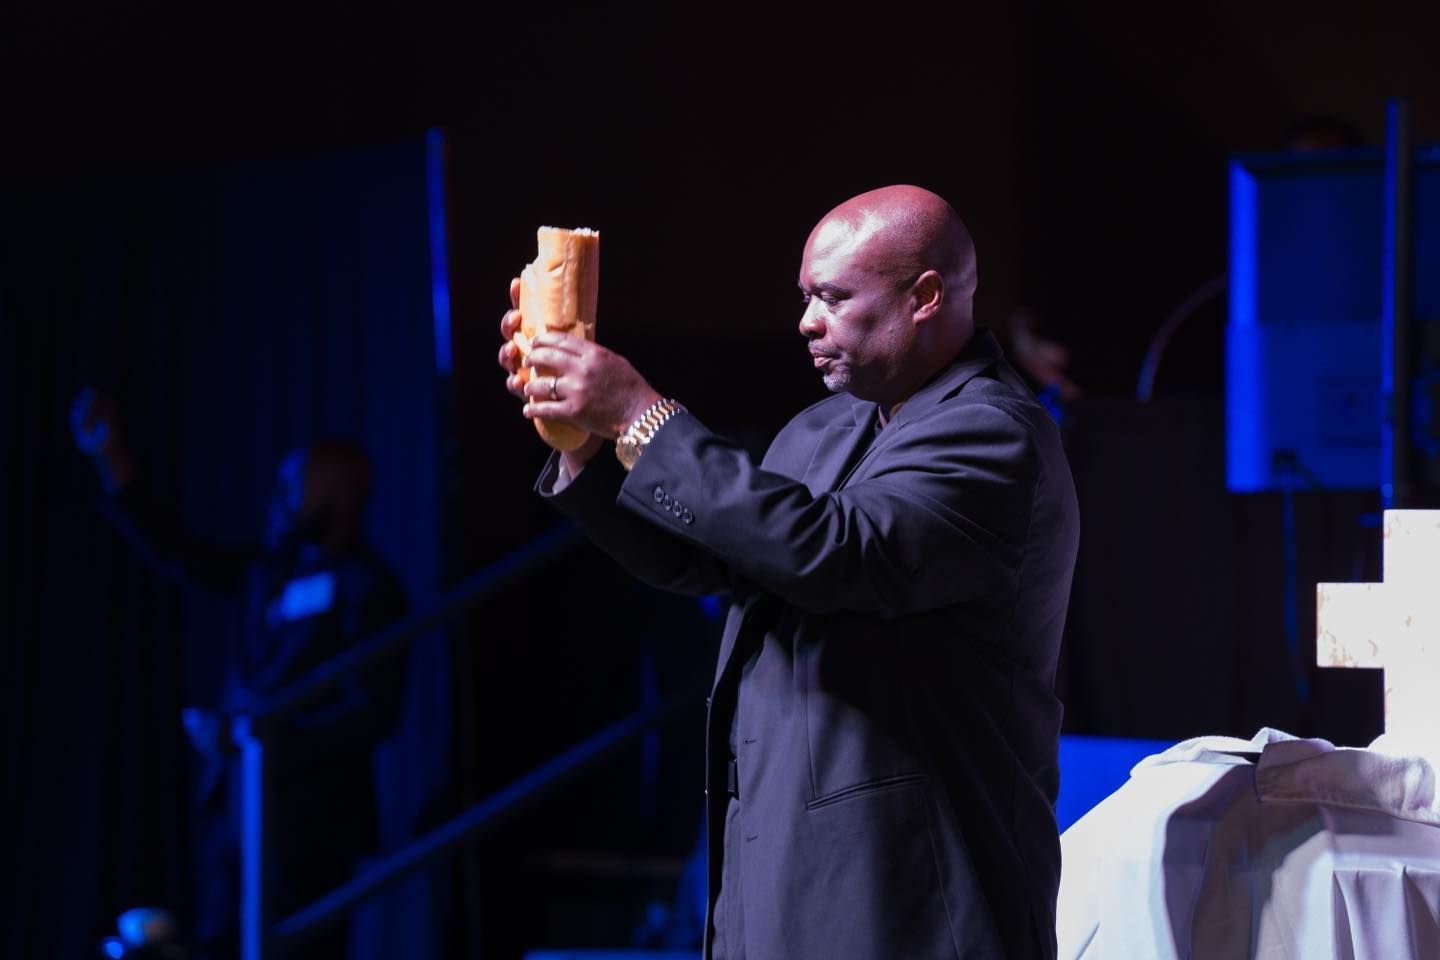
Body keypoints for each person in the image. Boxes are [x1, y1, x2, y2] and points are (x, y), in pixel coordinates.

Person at [497, 185, 1081, 959]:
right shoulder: (823, 427)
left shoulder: (994, 432)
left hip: (910, 897)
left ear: (926, 297)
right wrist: (580, 440)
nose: (806, 321)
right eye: (805, 296)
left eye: (833, 298)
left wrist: (641, 415)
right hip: (783, 874)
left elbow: (836, 552)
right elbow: (710, 555)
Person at [71, 391, 407, 960]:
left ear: (342, 488)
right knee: (218, 938)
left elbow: (371, 712)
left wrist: (263, 735)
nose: (281, 494)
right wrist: (113, 464)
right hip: (235, 810)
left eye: (299, 480)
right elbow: (181, 555)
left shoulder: (366, 587)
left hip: (309, 826)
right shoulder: (265, 574)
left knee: (296, 945)